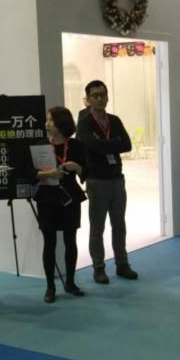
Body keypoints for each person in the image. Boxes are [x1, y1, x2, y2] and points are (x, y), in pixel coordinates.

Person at [76, 80, 138, 284]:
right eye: (95, 95)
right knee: (97, 228)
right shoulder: (84, 123)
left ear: (107, 97)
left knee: (119, 224)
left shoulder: (114, 120)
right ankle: (98, 268)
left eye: (102, 94)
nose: (99, 98)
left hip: (117, 179)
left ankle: (122, 264)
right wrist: (113, 143)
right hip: (96, 181)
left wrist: (104, 144)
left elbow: (127, 145)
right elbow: (92, 146)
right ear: (88, 99)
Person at [31, 106, 87, 302]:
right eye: (47, 120)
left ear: (62, 123)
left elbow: (86, 172)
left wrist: (77, 167)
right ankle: (50, 286)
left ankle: (70, 282)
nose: (47, 124)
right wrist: (47, 174)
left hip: (70, 196)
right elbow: (28, 172)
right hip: (47, 197)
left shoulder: (76, 145)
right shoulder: (40, 145)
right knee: (49, 243)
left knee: (71, 241)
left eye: (51, 120)